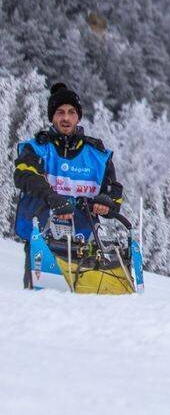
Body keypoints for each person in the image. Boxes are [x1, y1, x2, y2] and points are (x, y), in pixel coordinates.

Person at [13, 82, 124, 288]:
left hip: (84, 245)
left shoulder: (97, 156)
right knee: (42, 298)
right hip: (42, 241)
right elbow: (24, 175)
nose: (66, 118)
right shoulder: (36, 148)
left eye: (71, 112)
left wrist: (105, 202)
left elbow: (114, 193)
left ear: (78, 117)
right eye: (60, 112)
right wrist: (53, 199)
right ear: (52, 117)